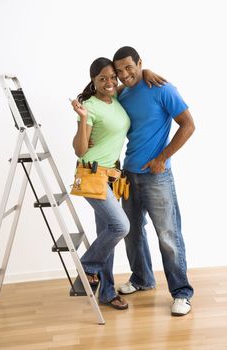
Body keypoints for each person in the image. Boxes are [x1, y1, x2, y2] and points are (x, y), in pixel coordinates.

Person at [71, 57, 164, 310]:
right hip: (92, 175)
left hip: (113, 176)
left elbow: (128, 82)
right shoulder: (88, 107)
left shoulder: (116, 98)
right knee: (121, 226)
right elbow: (80, 149)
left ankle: (107, 292)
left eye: (113, 76)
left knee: (108, 235)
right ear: (93, 80)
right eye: (103, 78)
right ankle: (87, 267)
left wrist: (145, 72)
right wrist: (81, 118)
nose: (110, 82)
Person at [112, 46, 195, 316]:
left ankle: (181, 293)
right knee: (132, 232)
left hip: (157, 177)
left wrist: (163, 158)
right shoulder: (122, 94)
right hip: (129, 173)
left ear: (139, 62)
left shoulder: (162, 89)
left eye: (130, 67)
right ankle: (142, 279)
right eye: (119, 70)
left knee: (168, 236)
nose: (125, 74)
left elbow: (188, 125)